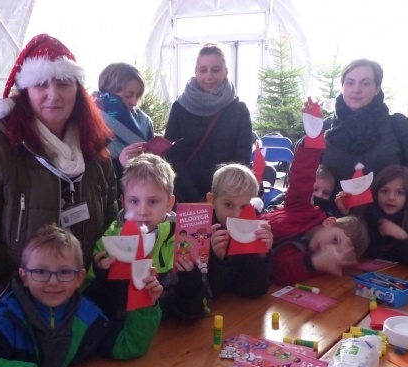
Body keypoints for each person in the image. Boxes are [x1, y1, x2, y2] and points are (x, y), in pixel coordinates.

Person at [0, 34, 118, 356]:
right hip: (13, 307)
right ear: (25, 90)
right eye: (41, 84)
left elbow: (109, 217)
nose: (53, 95)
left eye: (63, 83)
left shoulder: (94, 148)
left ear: (78, 90)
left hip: (83, 305)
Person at [0, 225, 162, 367]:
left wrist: (145, 302)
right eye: (41, 271)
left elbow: (128, 346)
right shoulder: (5, 318)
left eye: (65, 272)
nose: (53, 282)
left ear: (79, 278)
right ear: (24, 276)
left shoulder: (87, 315)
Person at [83, 153, 207, 320]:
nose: (143, 211)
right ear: (123, 202)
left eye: (153, 201)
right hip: (126, 333)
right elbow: (90, 311)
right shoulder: (108, 244)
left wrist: (191, 281)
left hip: (173, 331)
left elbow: (198, 311)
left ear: (169, 203)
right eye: (134, 201)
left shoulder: (185, 242)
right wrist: (103, 277)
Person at [320, 59, 408, 227]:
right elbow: (311, 177)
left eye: (365, 83)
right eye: (350, 82)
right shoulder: (325, 128)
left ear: (377, 88)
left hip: (387, 227)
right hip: (333, 224)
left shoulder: (397, 126)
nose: (356, 89)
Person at [262, 133, 369, 286]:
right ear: (329, 222)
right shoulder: (303, 209)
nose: (328, 249)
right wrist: (311, 146)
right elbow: (302, 180)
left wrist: (314, 263)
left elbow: (277, 271)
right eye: (335, 240)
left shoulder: (321, 260)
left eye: (337, 252)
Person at [164, 43, 253, 203]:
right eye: (203, 70)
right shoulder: (179, 107)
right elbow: (172, 155)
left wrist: (222, 195)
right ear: (196, 71)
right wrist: (192, 196)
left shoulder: (239, 110)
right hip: (186, 196)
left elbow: (242, 159)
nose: (209, 76)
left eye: (216, 70)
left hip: (226, 196)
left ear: (225, 72)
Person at [337, 165, 408, 269]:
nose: (391, 197)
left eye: (399, 193)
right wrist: (344, 214)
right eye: (385, 191)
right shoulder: (365, 214)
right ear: (376, 192)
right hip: (360, 274)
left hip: (401, 276)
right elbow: (346, 247)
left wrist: (403, 237)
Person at [206, 164, 274, 299]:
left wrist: (261, 256)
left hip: (238, 308)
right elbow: (206, 295)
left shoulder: (253, 230)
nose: (236, 215)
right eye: (228, 205)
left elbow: (254, 290)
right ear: (212, 200)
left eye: (244, 207)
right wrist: (217, 259)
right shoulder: (200, 233)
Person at [93, 63, 156, 195]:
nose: (134, 102)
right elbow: (89, 171)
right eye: (128, 95)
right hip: (108, 197)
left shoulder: (145, 122)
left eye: (138, 96)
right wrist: (119, 164)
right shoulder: (93, 121)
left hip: (142, 195)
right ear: (109, 93)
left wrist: (156, 159)